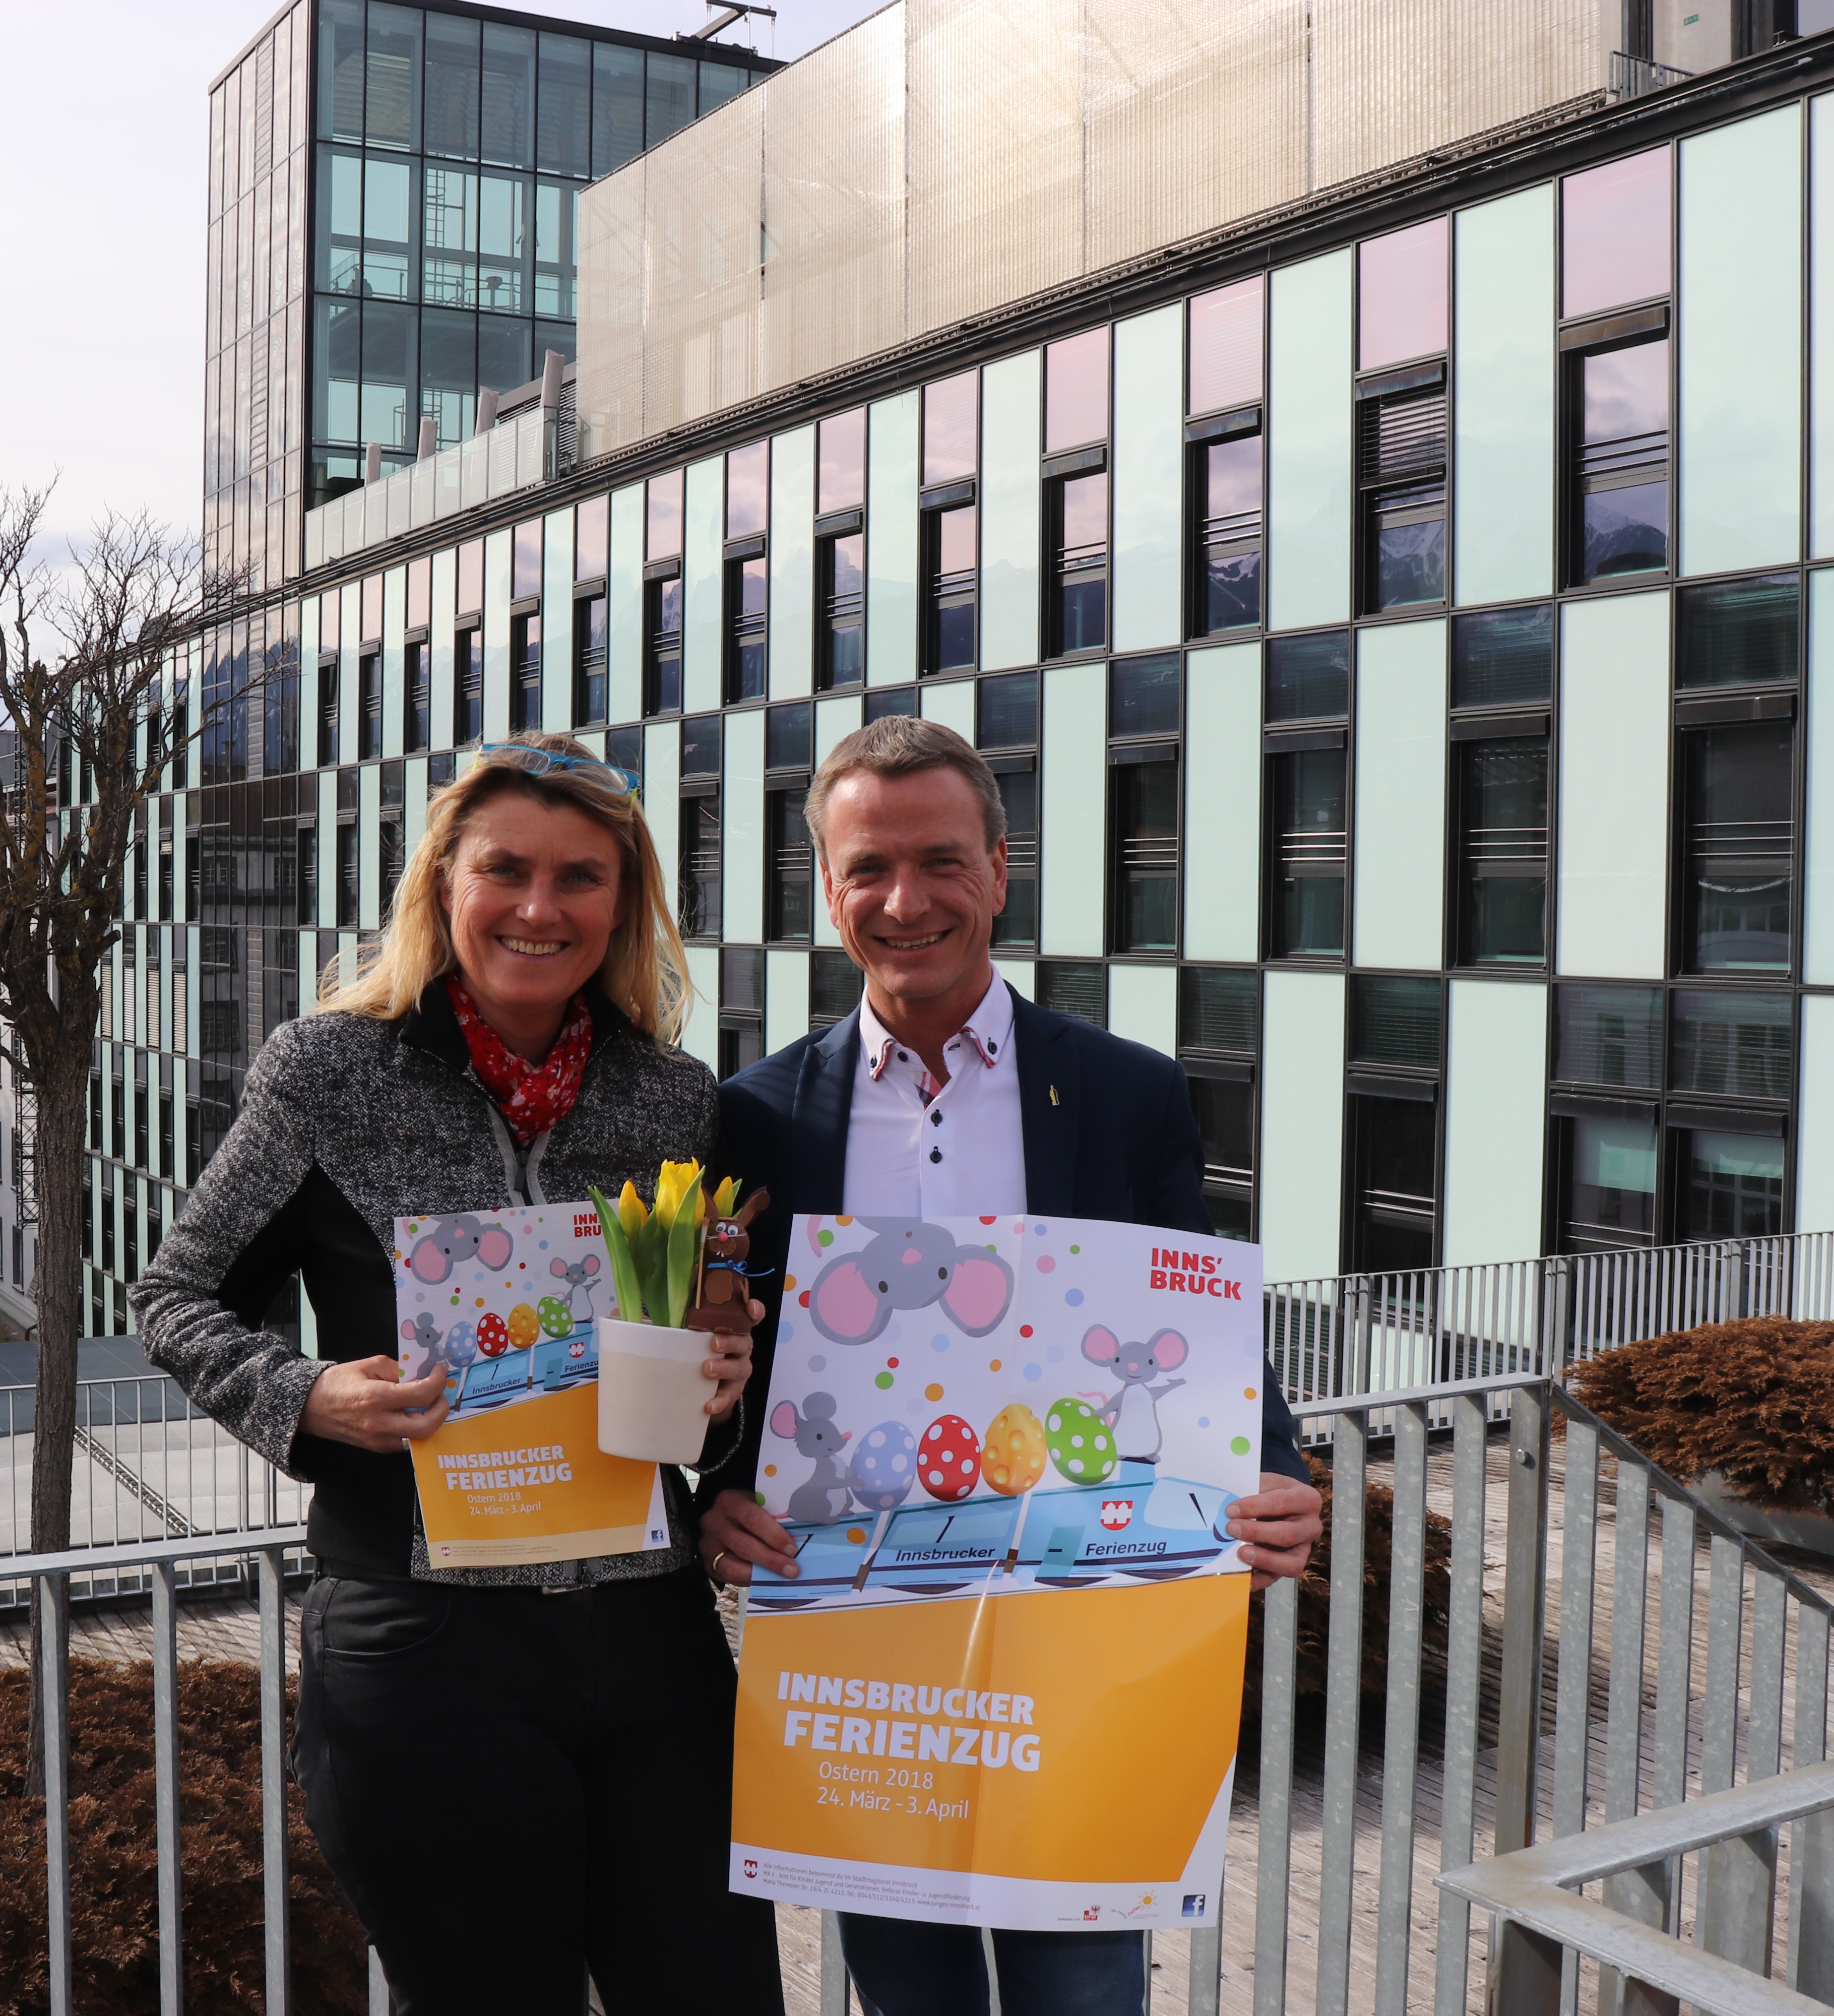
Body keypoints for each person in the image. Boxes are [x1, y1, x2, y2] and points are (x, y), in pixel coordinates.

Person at [134, 733, 784, 2016]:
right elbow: (174, 1295)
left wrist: (724, 1382)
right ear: (442, 883)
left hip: (656, 1644)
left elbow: (707, 1350)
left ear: (626, 902)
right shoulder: (325, 1071)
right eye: (507, 870)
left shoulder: (672, 1096)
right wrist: (313, 1395)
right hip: (427, 1651)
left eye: (582, 878)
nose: (541, 910)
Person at [700, 714, 1326, 2016]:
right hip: (863, 1640)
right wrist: (714, 1492)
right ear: (827, 887)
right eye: (867, 868)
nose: (904, 900)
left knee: (1085, 1988)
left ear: (998, 866)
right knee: (906, 1990)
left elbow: (1190, 1312)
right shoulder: (757, 1115)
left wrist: (1274, 1467)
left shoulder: (1126, 1093)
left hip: (1083, 1628)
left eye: (939, 860)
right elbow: (730, 1365)